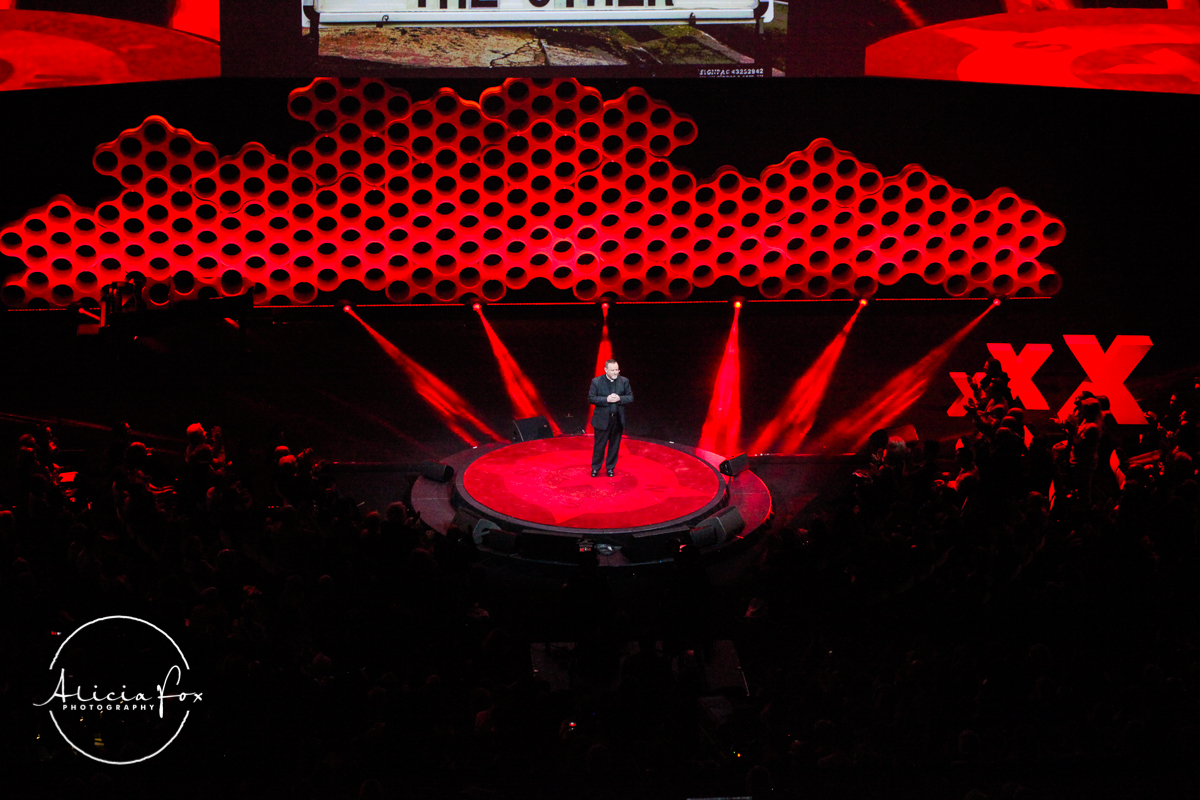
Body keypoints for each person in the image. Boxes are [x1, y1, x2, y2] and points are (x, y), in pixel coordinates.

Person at [588, 359, 633, 477]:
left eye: (617, 370)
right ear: (606, 370)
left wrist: (620, 399)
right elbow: (591, 398)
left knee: (614, 446)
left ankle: (610, 468)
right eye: (612, 370)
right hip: (601, 420)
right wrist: (606, 399)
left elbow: (630, 397)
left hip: (617, 420)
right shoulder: (596, 381)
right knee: (599, 446)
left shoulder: (624, 381)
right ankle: (595, 468)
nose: (615, 372)